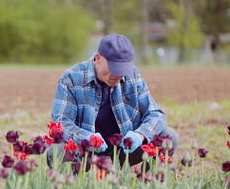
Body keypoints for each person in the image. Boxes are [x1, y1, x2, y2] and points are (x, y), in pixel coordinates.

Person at [47, 34, 178, 171]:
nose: (119, 75)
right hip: (86, 152)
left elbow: (156, 114)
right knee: (58, 150)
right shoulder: (71, 79)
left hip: (124, 151)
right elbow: (62, 123)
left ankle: (148, 182)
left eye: (123, 70)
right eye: (114, 68)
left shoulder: (132, 76)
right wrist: (87, 138)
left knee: (169, 137)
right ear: (97, 59)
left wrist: (140, 135)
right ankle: (75, 188)